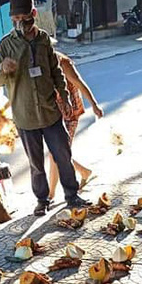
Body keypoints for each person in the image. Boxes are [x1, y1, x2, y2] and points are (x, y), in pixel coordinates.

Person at [0, 0, 89, 217]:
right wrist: (3, 69)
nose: (19, 23)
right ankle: (42, 200)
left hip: (50, 112)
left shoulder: (44, 40)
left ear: (33, 14)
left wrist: (65, 97)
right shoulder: (6, 45)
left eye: (23, 17)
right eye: (15, 19)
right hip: (24, 115)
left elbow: (56, 71)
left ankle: (72, 195)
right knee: (35, 164)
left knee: (63, 156)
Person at [48, 49, 104, 200]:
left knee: (56, 154)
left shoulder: (63, 62)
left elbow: (79, 83)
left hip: (70, 113)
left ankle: (50, 195)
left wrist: (94, 104)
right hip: (54, 114)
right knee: (59, 152)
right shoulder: (41, 62)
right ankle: (84, 172)